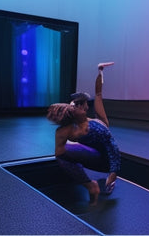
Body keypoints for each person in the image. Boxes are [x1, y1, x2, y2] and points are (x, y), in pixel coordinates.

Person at [46, 62, 118, 205]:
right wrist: (100, 71)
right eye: (73, 105)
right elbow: (98, 92)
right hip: (96, 154)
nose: (73, 106)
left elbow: (113, 149)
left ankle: (92, 186)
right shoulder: (67, 129)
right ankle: (89, 184)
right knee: (62, 151)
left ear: (83, 109)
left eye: (78, 105)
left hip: (106, 162)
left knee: (64, 152)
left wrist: (113, 173)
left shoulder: (96, 127)